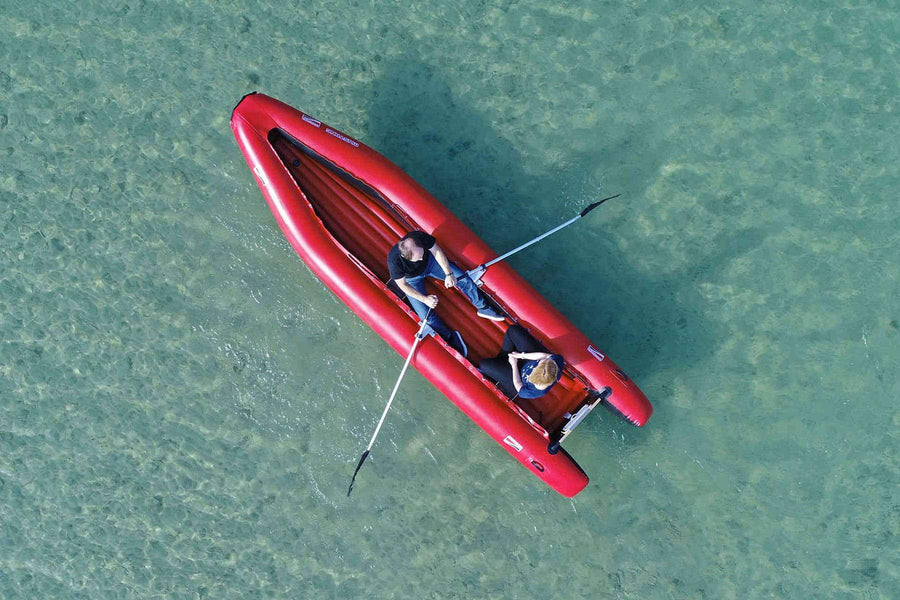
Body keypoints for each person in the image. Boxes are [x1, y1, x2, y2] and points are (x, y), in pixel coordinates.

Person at [388, 231, 505, 356]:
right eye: (418, 258)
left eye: (421, 253)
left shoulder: (419, 237)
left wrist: (449, 274)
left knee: (463, 279)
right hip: (412, 279)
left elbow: (436, 251)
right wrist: (425, 299)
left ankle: (482, 307)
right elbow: (403, 285)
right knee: (425, 316)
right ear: (406, 258)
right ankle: (449, 337)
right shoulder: (394, 261)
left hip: (431, 263)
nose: (421, 258)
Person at [479, 324, 564, 399]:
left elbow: (518, 384)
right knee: (513, 330)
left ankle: (503, 363)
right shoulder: (555, 363)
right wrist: (521, 356)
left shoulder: (533, 392)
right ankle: (503, 357)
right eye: (540, 363)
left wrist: (514, 365)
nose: (538, 362)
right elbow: (545, 356)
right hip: (527, 360)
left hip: (518, 375)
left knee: (484, 365)